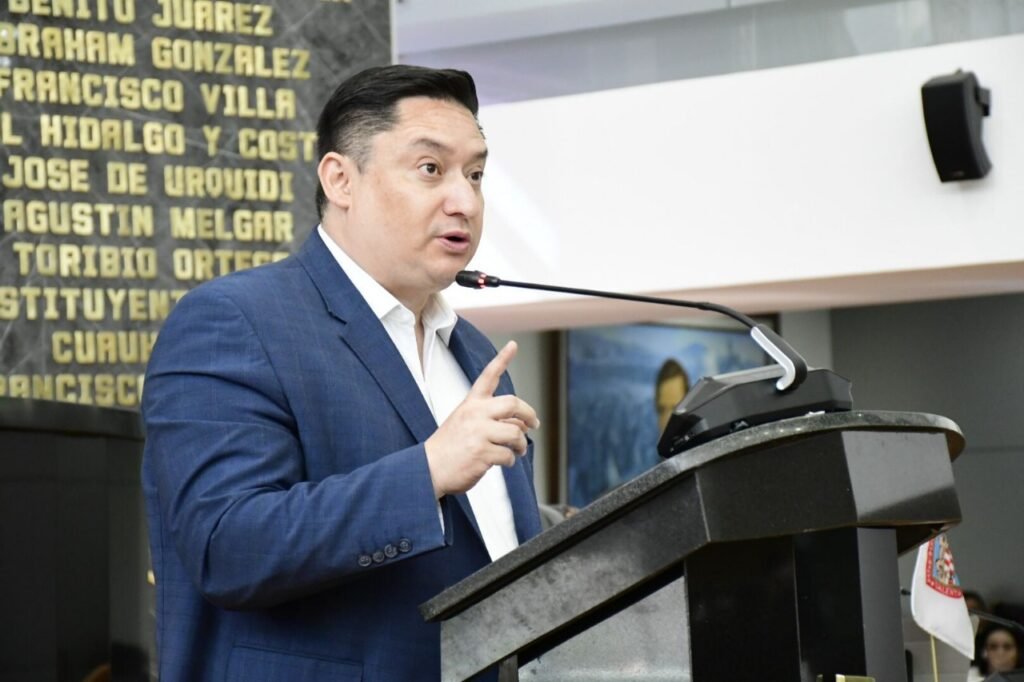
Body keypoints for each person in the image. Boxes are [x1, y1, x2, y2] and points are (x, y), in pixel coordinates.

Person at [141, 65, 543, 681]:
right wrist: (428, 472)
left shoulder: (474, 353)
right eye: (430, 168)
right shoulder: (235, 320)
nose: (464, 201)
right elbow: (227, 546)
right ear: (340, 179)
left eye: (475, 175)